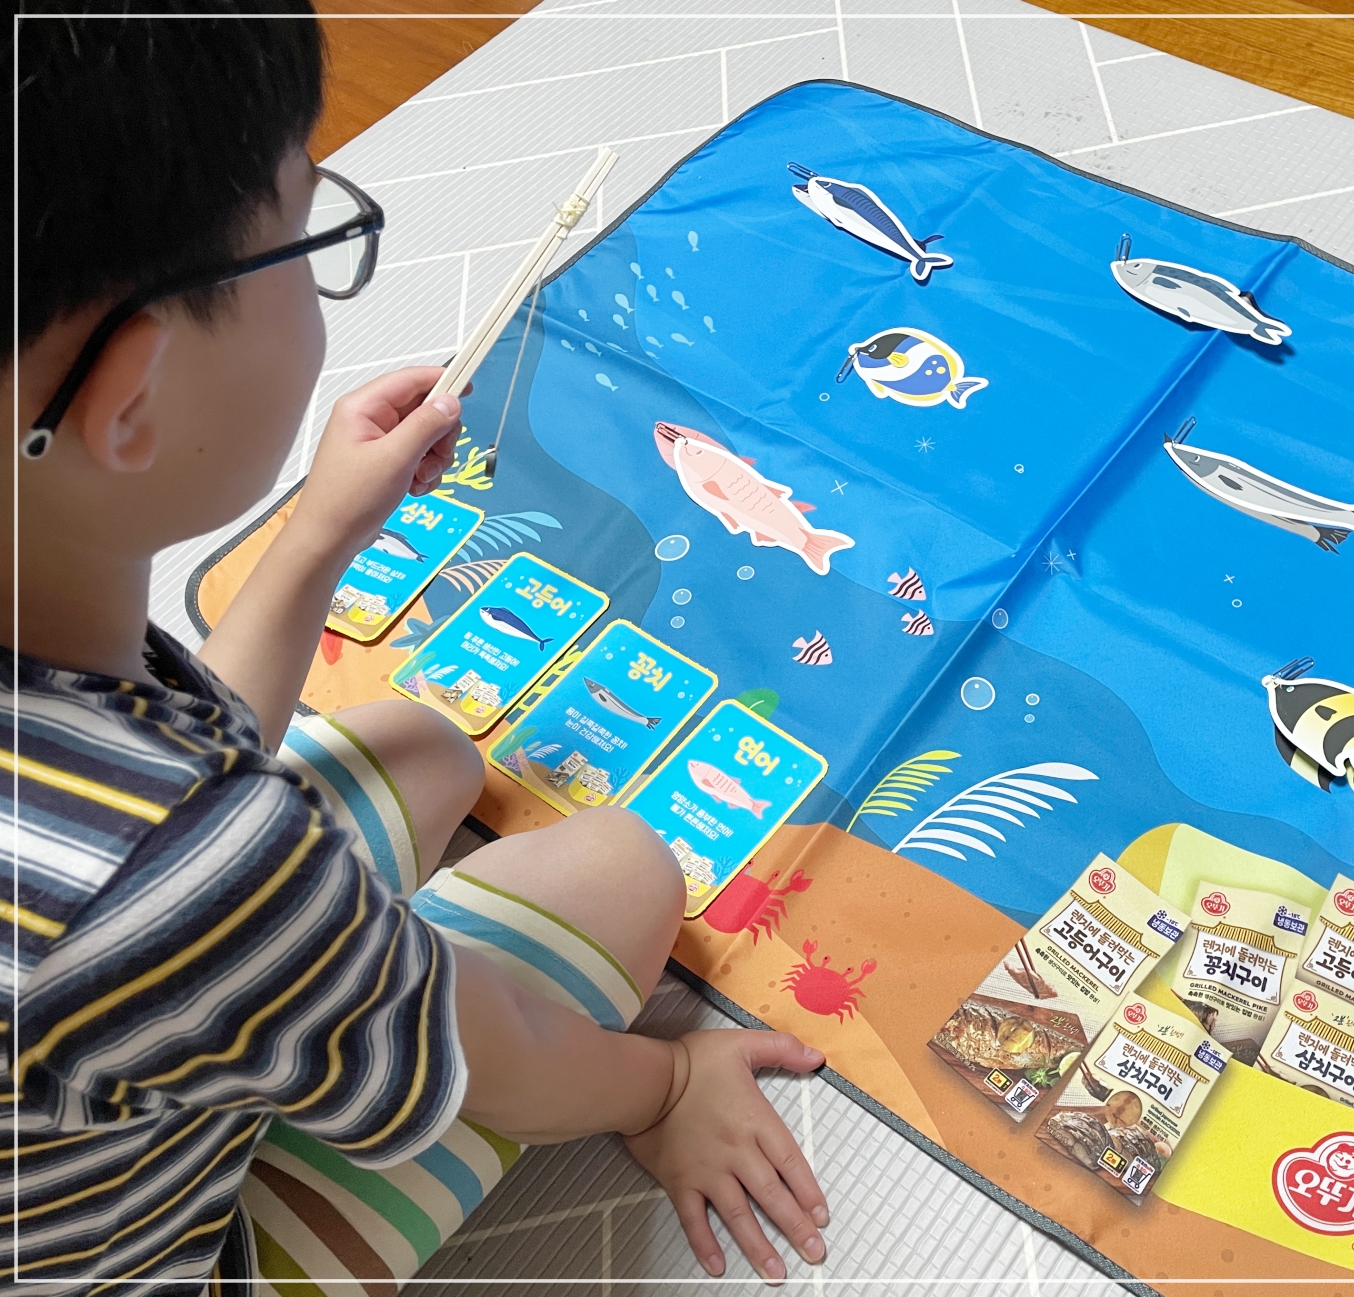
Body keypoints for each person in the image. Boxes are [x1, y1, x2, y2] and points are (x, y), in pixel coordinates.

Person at [6, 4, 829, 1290]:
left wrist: (318, 534)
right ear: (131, 397)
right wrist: (668, 1080)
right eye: (306, 235)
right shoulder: (186, 871)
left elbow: (176, 761)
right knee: (623, 866)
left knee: (419, 744)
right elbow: (493, 1050)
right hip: (146, 1251)